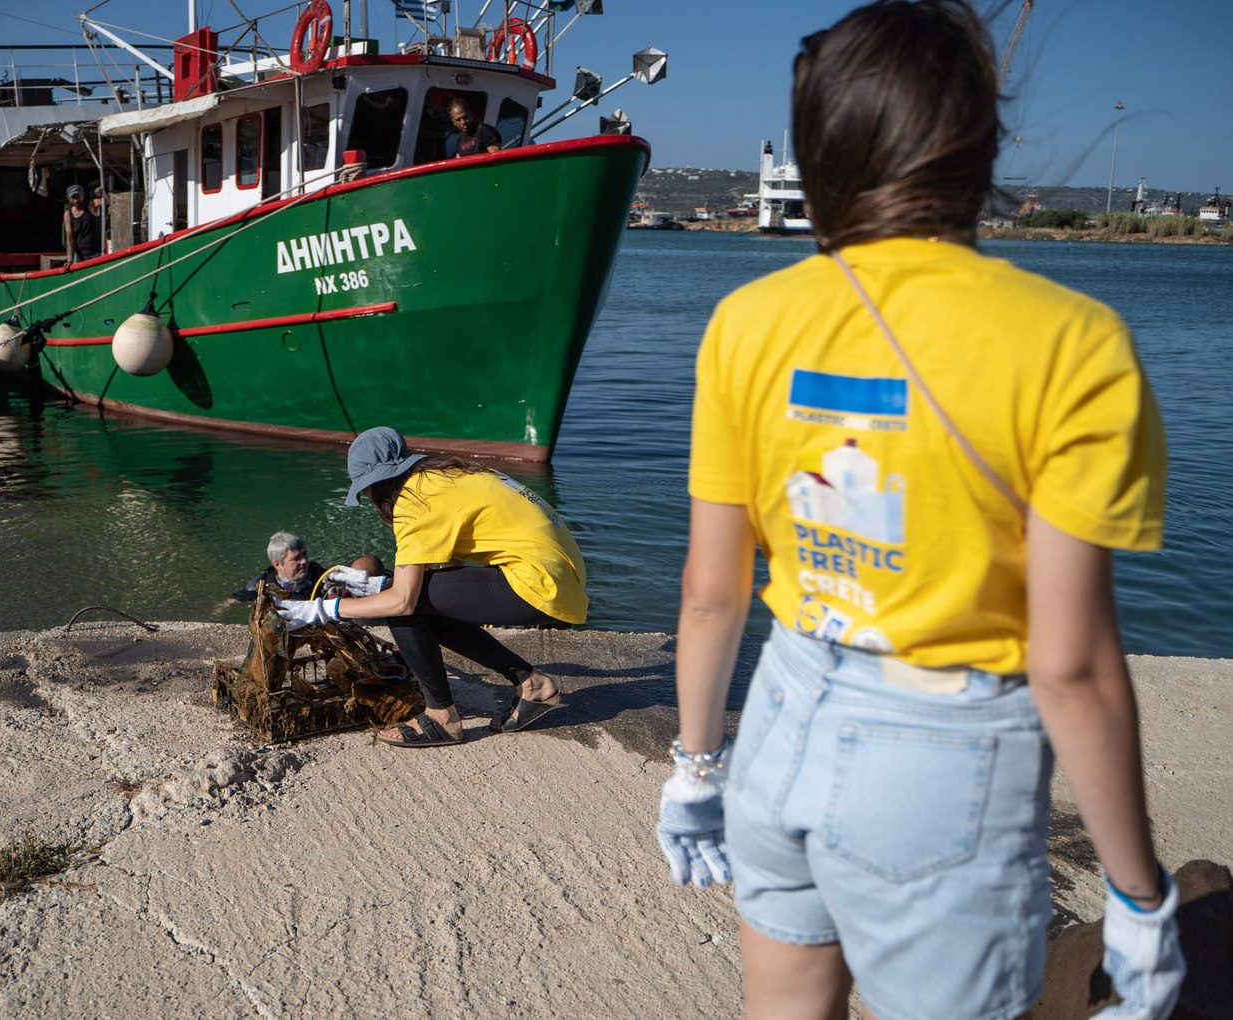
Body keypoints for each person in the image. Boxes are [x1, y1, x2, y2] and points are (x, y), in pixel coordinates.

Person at [657, 4, 1184, 1020]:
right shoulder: (1073, 343)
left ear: (819, 150)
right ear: (981, 144)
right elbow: (1069, 666)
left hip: (782, 717)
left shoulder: (746, 323)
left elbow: (711, 593)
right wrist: (1137, 895)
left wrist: (693, 768)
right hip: (943, 761)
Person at [275, 427, 584, 747]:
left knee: (402, 605)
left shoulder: (413, 501)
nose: (368, 498)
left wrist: (320, 609)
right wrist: (384, 592)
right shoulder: (442, 477)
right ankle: (530, 683)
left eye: (366, 490)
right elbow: (449, 574)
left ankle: (442, 717)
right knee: (417, 601)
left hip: (540, 584)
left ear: (376, 483)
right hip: (560, 578)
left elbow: (403, 601)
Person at [230, 530, 386, 602]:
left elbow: (369, 562)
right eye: (296, 558)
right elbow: (234, 600)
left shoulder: (320, 576)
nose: (304, 561)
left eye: (304, 554)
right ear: (278, 565)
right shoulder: (262, 584)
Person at [63, 183, 102, 264]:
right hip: (80, 255)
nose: (76, 200)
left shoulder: (91, 205)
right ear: (69, 199)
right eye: (73, 197)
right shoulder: (68, 214)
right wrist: (70, 260)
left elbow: (106, 202)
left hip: (96, 253)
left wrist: (102, 194)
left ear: (83, 196)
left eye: (78, 197)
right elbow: (70, 239)